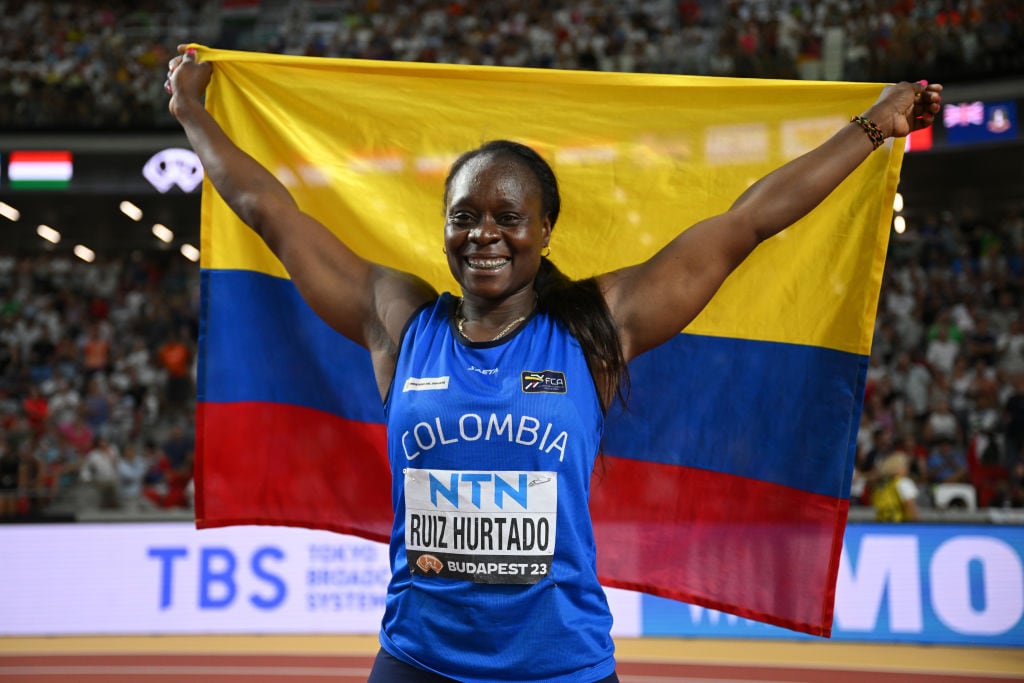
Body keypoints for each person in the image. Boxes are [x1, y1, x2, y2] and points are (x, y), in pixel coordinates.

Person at [166, 45, 941, 683]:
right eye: (464, 216)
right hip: (418, 660)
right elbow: (271, 213)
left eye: (508, 217)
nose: (484, 234)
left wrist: (874, 127)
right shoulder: (400, 322)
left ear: (545, 230)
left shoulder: (595, 328)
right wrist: (191, 111)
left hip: (560, 666)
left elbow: (746, 223)